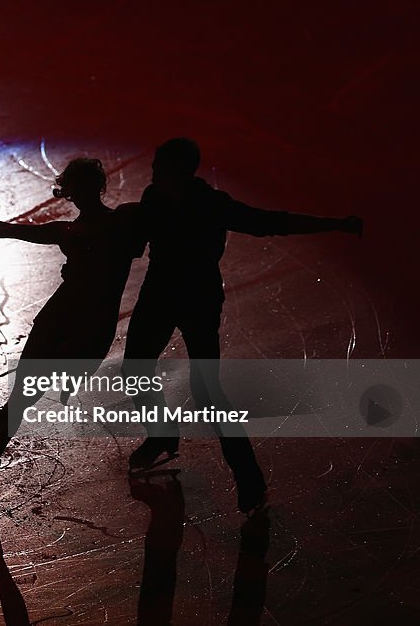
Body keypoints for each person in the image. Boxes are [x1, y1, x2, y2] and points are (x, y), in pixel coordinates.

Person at [123, 137, 363, 513]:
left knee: (208, 394)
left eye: (158, 167)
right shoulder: (154, 197)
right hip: (159, 297)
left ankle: (249, 478)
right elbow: (134, 239)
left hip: (198, 301)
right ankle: (162, 435)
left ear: (179, 171)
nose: (151, 173)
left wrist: (334, 225)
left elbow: (269, 223)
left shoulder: (213, 205)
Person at [0, 158, 145, 502]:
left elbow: (8, 229)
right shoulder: (116, 223)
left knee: (27, 391)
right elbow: (8, 229)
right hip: (74, 320)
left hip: (75, 321)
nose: (75, 195)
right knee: (27, 390)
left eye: (78, 188)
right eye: (74, 189)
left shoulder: (106, 225)